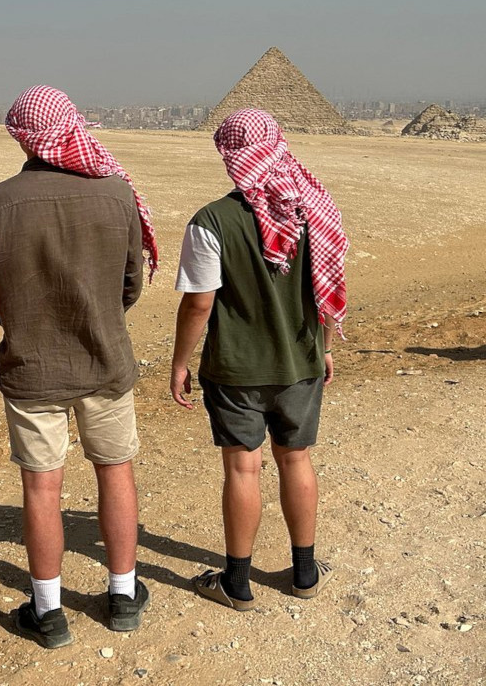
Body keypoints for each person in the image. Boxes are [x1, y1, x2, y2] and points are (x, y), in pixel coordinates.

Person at [0, 85, 158, 648]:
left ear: (20, 136)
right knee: (115, 471)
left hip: (33, 370)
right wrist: (97, 315)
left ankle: (48, 613)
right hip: (105, 362)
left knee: (41, 489)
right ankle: (123, 596)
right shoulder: (116, 194)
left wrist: (34, 322)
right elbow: (131, 282)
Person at [169, 108, 348, 611]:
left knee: (243, 471)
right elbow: (328, 288)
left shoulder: (211, 221)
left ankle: (237, 583)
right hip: (300, 363)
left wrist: (180, 362)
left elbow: (199, 302)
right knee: (296, 459)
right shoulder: (315, 210)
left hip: (234, 369)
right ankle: (306, 572)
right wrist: (326, 348)